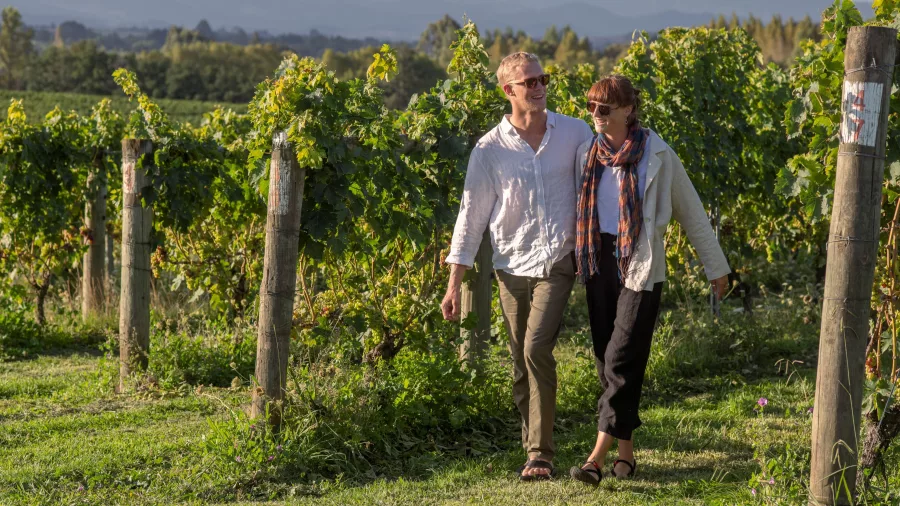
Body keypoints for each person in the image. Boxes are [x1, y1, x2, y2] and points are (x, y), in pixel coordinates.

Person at [568, 75, 730, 486]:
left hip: (639, 262)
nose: (596, 115)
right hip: (597, 260)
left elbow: (692, 212)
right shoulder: (589, 152)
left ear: (628, 110)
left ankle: (595, 459)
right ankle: (626, 456)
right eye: (590, 107)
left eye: (604, 108)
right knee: (608, 360)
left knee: (621, 357)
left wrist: (717, 268)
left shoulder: (657, 154)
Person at [441, 52, 594, 481]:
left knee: (535, 349)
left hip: (558, 260)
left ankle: (541, 454)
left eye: (542, 78)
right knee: (518, 363)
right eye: (529, 81)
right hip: (510, 267)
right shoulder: (489, 150)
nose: (539, 86)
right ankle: (533, 449)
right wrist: (454, 283)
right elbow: (471, 217)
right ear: (508, 91)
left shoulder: (575, 133)